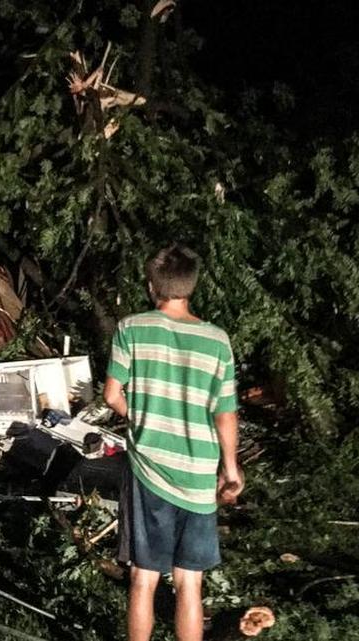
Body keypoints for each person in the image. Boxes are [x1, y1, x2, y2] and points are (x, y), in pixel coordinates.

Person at [103, 244, 243, 641]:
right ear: (192, 287)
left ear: (152, 286)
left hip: (149, 473)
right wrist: (230, 469)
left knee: (143, 579)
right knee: (190, 583)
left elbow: (112, 396)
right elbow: (225, 414)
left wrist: (144, 416)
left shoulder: (131, 328)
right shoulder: (217, 340)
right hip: (198, 477)